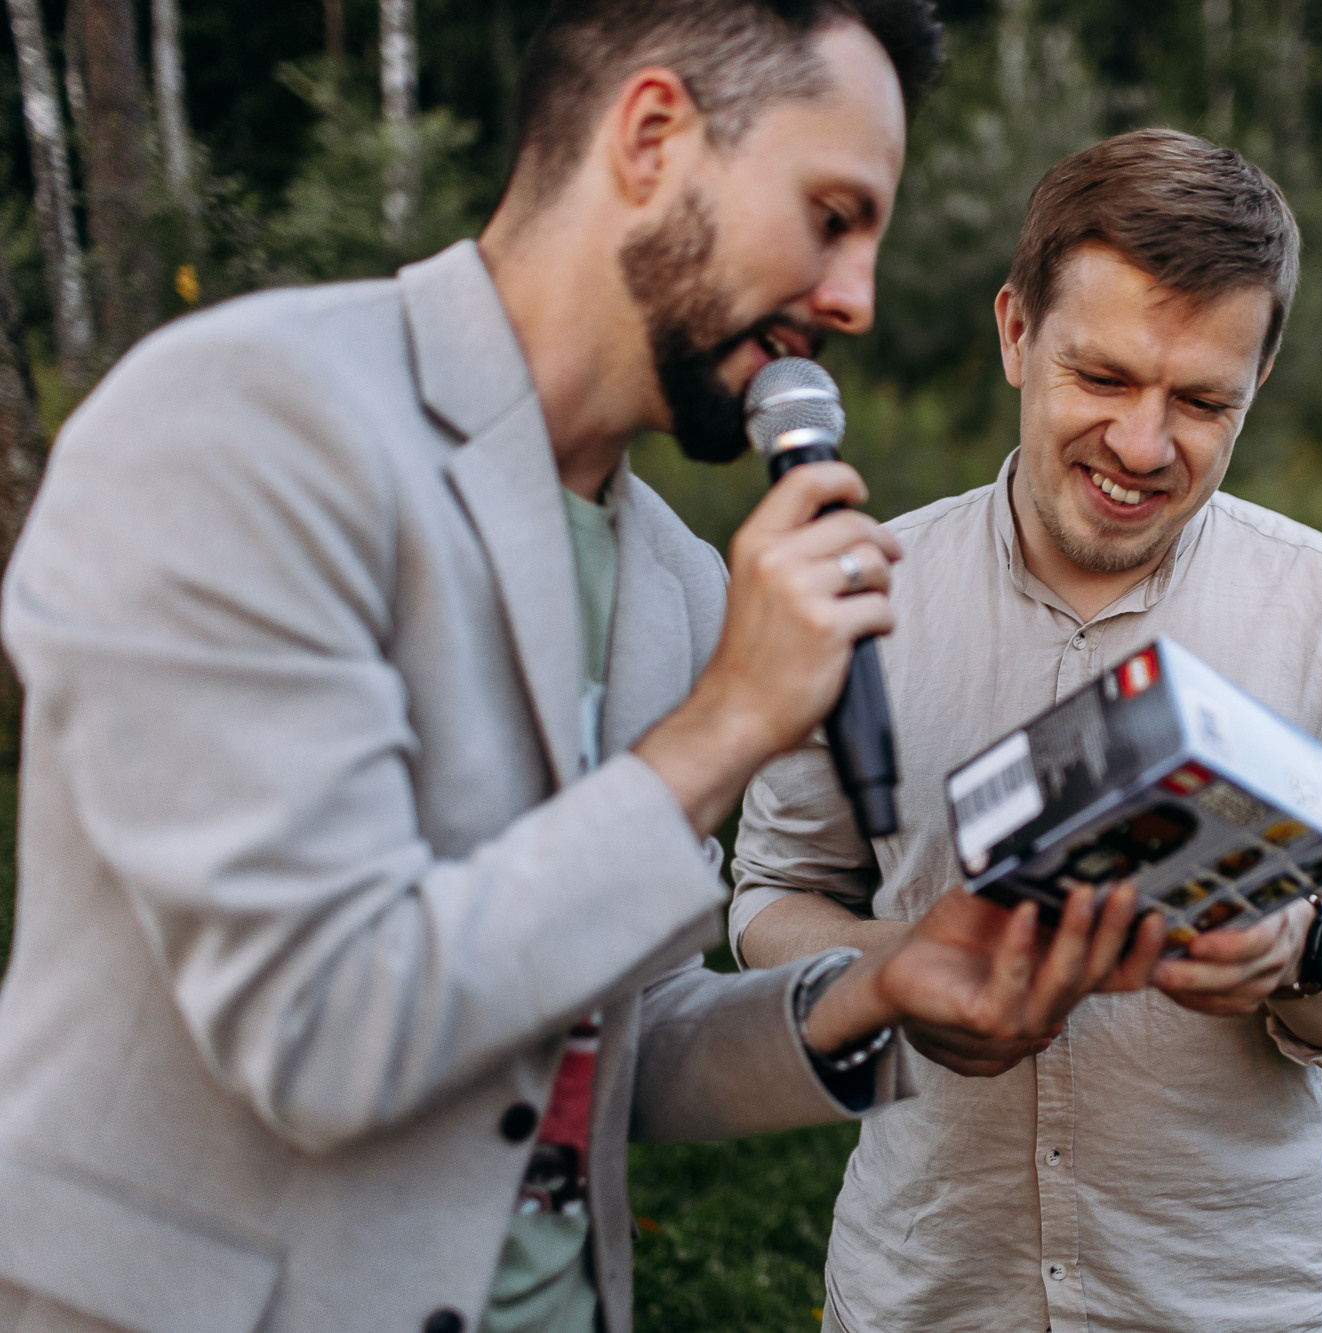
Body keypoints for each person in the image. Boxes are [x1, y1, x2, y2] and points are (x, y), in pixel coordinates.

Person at [0, 4, 1159, 1332]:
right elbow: (320, 1030)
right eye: (832, 215)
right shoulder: (245, 424)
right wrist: (725, 725)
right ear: (655, 135)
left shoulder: (665, 574)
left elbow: (593, 1034)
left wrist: (875, 986)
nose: (857, 298)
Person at [733, 129, 1322, 1333]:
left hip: (1232, 1301)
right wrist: (900, 972)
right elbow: (769, 894)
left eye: (1199, 400)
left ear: (1261, 376)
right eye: (1104, 378)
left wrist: (1303, 951)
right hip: (925, 1293)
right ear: (1015, 331)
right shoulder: (863, 592)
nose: (1141, 446)